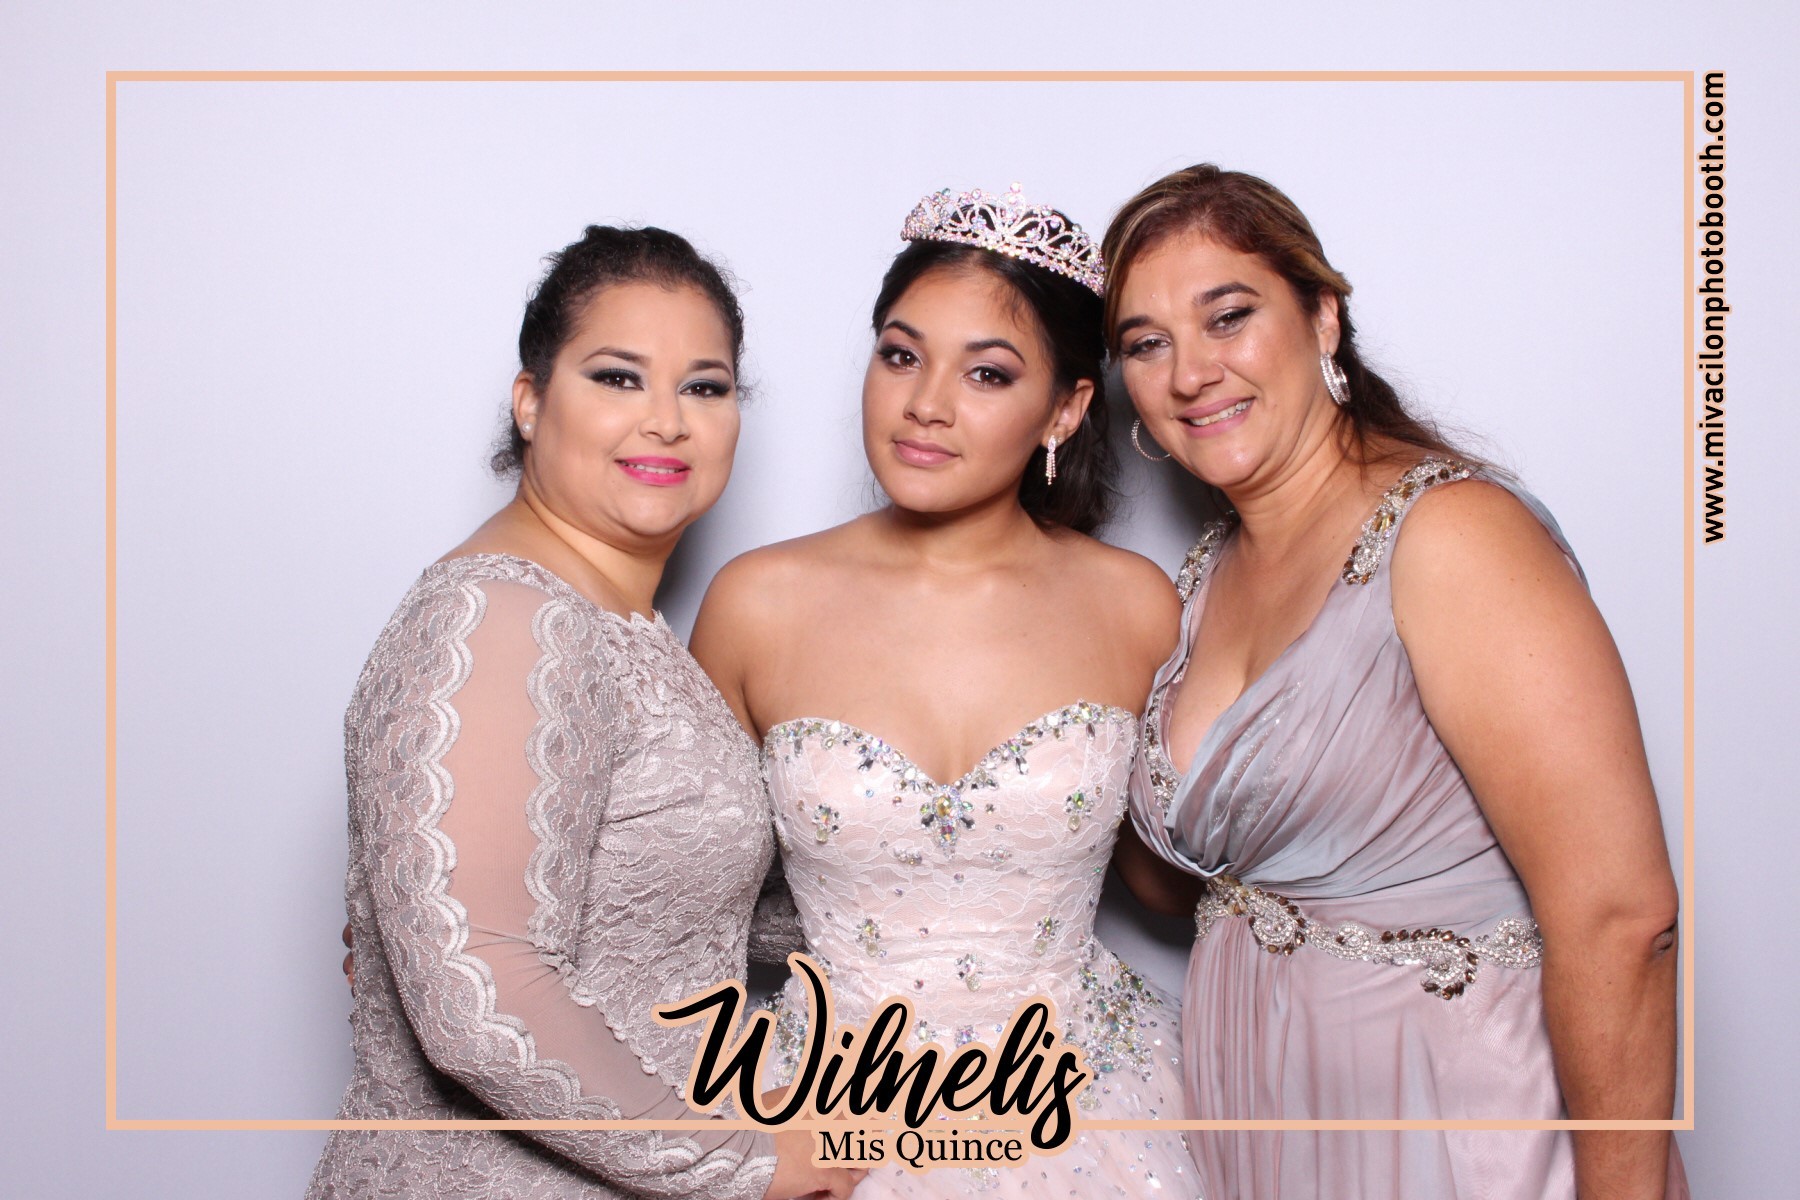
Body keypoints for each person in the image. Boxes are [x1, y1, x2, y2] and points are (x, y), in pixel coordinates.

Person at [1106, 164, 1687, 1199]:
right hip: (1262, 1124)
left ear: (1323, 318)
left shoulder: (1451, 534)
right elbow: (1178, 874)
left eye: (1228, 317)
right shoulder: (1200, 579)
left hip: (1454, 1121)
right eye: (1147, 344)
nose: (1191, 372)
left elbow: (1620, 916)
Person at [308, 226, 862, 1200]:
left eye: (704, 387)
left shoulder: (623, 626)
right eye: (617, 378)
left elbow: (671, 914)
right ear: (530, 402)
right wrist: (750, 1163)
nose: (667, 421)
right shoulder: (499, 617)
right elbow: (479, 998)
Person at [692, 185, 1203, 1197]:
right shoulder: (757, 603)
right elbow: (682, 895)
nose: (926, 403)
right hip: (824, 1109)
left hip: (1089, 1104)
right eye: (900, 355)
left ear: (1066, 409)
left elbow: (1173, 881)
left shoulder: (1136, 605)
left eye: (988, 373)